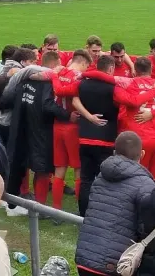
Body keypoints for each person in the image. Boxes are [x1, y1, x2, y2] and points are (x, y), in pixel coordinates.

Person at [72, 55, 155, 216]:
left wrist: (88, 117)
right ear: (110, 69)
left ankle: (83, 214)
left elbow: (73, 99)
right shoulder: (114, 89)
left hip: (85, 138)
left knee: (86, 178)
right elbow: (134, 101)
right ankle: (104, 212)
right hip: (105, 139)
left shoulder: (82, 84)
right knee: (108, 178)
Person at [75, 131, 155, 276]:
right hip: (115, 264)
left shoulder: (100, 176)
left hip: (85, 258)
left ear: (114, 152)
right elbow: (146, 225)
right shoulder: (145, 184)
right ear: (142, 154)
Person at [6, 52, 72, 209]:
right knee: (42, 169)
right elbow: (47, 105)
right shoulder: (47, 82)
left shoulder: (26, 79)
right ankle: (40, 207)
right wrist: (67, 115)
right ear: (54, 65)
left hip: (25, 128)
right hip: (42, 131)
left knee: (26, 164)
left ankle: (24, 198)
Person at [51, 49, 92, 211]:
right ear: (82, 62)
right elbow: (75, 100)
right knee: (78, 170)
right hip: (73, 128)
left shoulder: (60, 72)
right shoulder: (78, 77)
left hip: (57, 126)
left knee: (59, 169)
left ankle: (55, 209)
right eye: (87, 66)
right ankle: (79, 209)